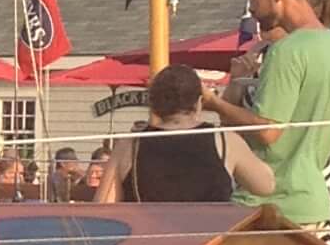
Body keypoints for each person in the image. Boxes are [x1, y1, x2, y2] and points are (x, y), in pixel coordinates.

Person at [204, 0, 330, 227]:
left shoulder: (285, 51)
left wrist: (214, 103)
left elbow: (268, 131)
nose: (250, 8)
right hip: (314, 206)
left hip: (266, 208)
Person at [95, 66, 234, 205]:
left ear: (153, 105)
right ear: (199, 103)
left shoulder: (128, 147)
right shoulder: (225, 141)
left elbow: (104, 211)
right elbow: (256, 193)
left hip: (149, 226)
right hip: (214, 226)